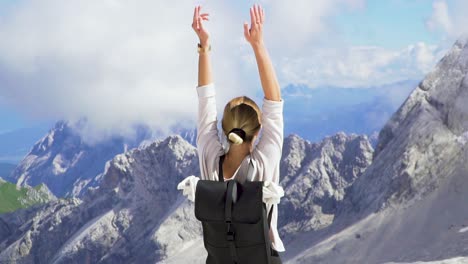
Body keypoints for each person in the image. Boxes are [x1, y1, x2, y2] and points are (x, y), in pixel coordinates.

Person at [192, 3, 286, 258]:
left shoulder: (210, 158)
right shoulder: (264, 163)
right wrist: (258, 45)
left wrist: (204, 46)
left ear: (223, 127)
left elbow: (205, 100)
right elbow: (275, 103)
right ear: (258, 131)